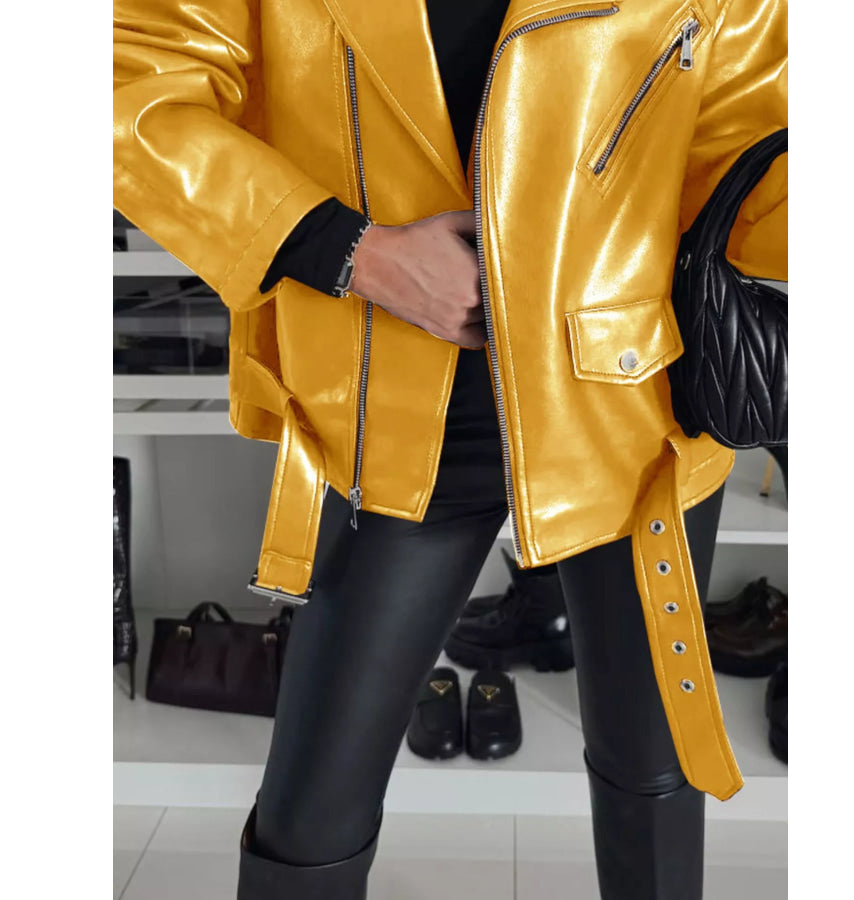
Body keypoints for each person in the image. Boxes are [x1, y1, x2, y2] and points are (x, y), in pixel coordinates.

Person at [113, 1, 788, 898]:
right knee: (308, 816)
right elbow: (123, 85)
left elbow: (751, 132)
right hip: (388, 403)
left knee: (651, 772)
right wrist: (354, 252)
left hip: (627, 394)